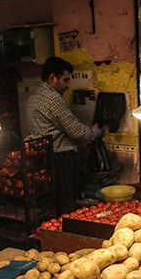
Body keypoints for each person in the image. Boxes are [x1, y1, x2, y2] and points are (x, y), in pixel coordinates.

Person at [26, 56, 102, 214]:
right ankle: (64, 234)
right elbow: (76, 132)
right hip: (61, 159)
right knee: (67, 204)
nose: (68, 85)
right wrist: (93, 132)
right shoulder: (53, 99)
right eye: (66, 80)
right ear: (52, 78)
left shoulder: (33, 97)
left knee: (53, 203)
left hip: (42, 159)